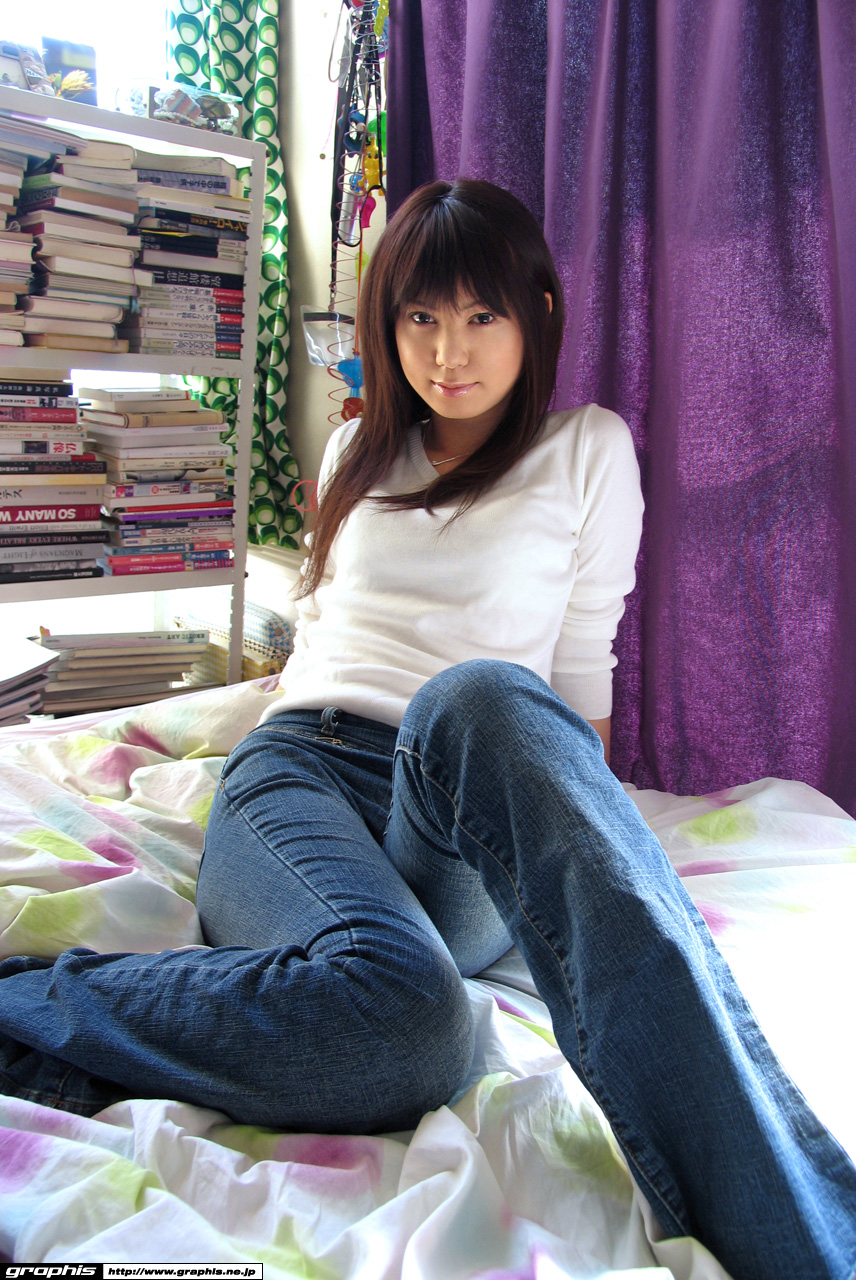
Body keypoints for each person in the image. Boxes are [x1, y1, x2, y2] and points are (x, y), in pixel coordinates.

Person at [1, 179, 854, 1280]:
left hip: (463, 795)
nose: (448, 352)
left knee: (482, 696)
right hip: (304, 772)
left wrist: (575, 850)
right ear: (387, 324)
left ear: (539, 313)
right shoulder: (355, 449)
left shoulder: (588, 450)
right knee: (417, 1030)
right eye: (420, 316)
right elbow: (318, 640)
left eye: (480, 314)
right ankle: (29, 1001)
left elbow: (577, 687)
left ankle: (808, 1245)